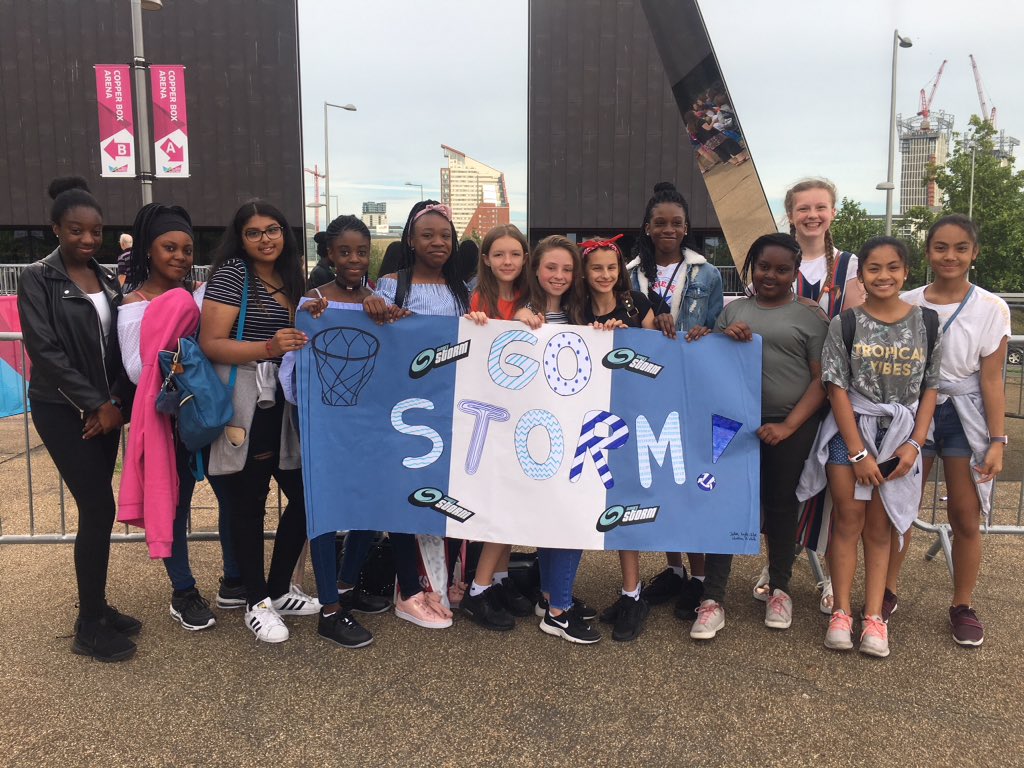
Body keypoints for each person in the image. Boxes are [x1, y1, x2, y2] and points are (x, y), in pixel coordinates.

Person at [799, 236, 941, 658]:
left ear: (906, 271)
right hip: (850, 433)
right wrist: (858, 452)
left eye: (893, 267)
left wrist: (915, 443)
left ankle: (874, 615)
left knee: (881, 529)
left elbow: (931, 387)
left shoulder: (926, 322)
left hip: (900, 437)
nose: (884, 276)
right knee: (847, 521)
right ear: (860, 275)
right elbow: (836, 387)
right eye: (874, 268)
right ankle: (841, 611)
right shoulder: (846, 323)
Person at [18, 177, 138, 661]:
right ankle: (89, 626)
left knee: (98, 509)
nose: (88, 239)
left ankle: (97, 607)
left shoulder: (106, 278)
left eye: (96, 231)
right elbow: (44, 351)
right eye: (76, 230)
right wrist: (94, 404)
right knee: (98, 508)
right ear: (56, 229)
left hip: (105, 410)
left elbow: (120, 346)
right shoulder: (37, 278)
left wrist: (116, 402)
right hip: (62, 408)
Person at [692, 233, 828, 642]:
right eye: (763, 266)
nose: (771, 275)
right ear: (752, 267)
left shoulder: (810, 316)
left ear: (796, 272)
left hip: (789, 425)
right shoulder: (733, 310)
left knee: (780, 505)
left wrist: (789, 426)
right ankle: (713, 598)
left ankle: (780, 589)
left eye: (782, 269)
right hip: (734, 422)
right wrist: (719, 337)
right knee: (727, 503)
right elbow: (713, 366)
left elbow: (821, 381)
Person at [199, 200, 323, 643]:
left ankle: (278, 588)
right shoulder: (233, 274)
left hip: (284, 402)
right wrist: (268, 348)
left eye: (273, 229)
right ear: (240, 238)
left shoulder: (293, 276)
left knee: (308, 496)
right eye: (254, 232)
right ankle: (256, 601)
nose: (266, 239)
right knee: (248, 502)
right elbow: (211, 342)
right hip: (245, 402)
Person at [885, 215, 1007, 647]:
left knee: (964, 513)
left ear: (975, 253)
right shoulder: (907, 301)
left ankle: (962, 604)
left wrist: (997, 440)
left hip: (963, 414)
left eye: (960, 248)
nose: (950, 256)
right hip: (914, 411)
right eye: (940, 247)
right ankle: (886, 589)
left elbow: (991, 379)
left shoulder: (991, 308)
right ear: (928, 252)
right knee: (900, 505)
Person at [363, 200, 471, 629]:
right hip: (404, 410)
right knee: (404, 494)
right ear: (410, 239)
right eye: (427, 235)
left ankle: (440, 582)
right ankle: (409, 587)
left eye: (445, 236)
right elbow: (373, 333)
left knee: (443, 493)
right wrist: (379, 312)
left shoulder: (461, 289)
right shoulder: (392, 286)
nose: (437, 242)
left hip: (448, 407)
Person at [625, 182, 723, 621]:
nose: (669, 229)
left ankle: (700, 576)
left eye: (676, 223)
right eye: (660, 223)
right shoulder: (631, 275)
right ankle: (674, 569)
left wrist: (709, 333)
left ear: (686, 229)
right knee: (661, 475)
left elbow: (718, 326)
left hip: (691, 389)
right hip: (645, 388)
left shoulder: (707, 274)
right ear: (647, 228)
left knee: (690, 477)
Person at [116, 203, 216, 632]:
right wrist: (181, 353)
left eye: (187, 249)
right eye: (169, 247)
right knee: (174, 505)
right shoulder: (133, 304)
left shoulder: (200, 296)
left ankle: (236, 581)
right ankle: (183, 590)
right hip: (168, 419)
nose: (180, 256)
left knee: (231, 499)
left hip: (208, 410)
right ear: (148, 250)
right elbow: (137, 370)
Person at [770, 178, 866, 614]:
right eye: (803, 208)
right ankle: (776, 568)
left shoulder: (851, 266)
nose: (812, 215)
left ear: (833, 212)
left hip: (839, 393)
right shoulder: (777, 260)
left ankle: (830, 576)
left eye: (820, 207)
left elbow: (860, 326)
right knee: (784, 487)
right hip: (791, 390)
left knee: (832, 489)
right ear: (790, 214)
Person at [513, 235, 602, 644]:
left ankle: (551, 596)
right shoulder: (522, 311)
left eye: (567, 269)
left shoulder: (580, 311)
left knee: (562, 515)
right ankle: (559, 612)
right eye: (551, 267)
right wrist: (516, 322)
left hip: (574, 428)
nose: (560, 275)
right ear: (535, 269)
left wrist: (605, 331)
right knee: (568, 517)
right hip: (536, 432)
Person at [460, 224, 536, 631]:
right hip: (489, 417)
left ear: (525, 258)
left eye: (515, 254)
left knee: (515, 502)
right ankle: (479, 589)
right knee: (502, 504)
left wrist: (529, 320)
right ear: (486, 260)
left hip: (525, 414)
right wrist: (478, 322)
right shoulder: (479, 299)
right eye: (500, 254)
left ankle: (499, 579)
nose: (508, 261)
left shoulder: (531, 296)